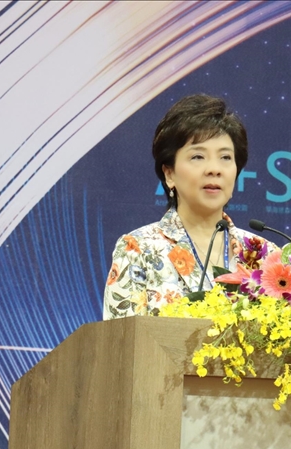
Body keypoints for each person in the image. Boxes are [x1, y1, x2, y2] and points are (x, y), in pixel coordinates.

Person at [103, 94, 272, 320]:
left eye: (225, 157)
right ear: (169, 174)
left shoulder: (265, 255)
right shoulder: (138, 250)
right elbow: (121, 339)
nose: (214, 169)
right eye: (198, 157)